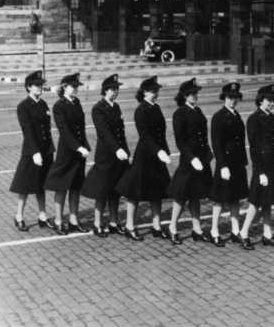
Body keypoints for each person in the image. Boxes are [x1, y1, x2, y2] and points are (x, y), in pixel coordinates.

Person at [115, 76, 171, 241]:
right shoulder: (141, 110)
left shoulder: (156, 108)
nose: (156, 93)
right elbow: (145, 136)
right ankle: (129, 225)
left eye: (157, 90)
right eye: (153, 91)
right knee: (135, 192)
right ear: (145, 92)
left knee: (158, 191)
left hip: (158, 155)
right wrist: (159, 151)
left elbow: (161, 133)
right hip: (146, 155)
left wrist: (165, 151)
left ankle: (156, 225)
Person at [80, 74, 130, 237]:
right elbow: (104, 132)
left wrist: (126, 150)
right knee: (102, 190)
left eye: (116, 89)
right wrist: (117, 149)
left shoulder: (116, 107)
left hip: (119, 155)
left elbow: (120, 132)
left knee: (115, 190)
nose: (115, 92)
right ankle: (97, 223)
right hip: (106, 155)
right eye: (112, 89)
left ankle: (114, 222)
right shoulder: (98, 108)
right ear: (105, 90)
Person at [238, 84, 274, 250]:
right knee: (256, 201)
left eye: (273, 100)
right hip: (262, 167)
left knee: (268, 201)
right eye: (269, 100)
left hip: (273, 164)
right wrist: (260, 172)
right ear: (261, 100)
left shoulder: (270, 117)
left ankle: (267, 233)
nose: (271, 103)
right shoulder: (254, 119)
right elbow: (254, 147)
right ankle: (243, 232)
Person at [166, 78, 213, 245]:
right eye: (192, 94)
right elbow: (180, 141)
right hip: (189, 160)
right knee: (182, 195)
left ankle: (197, 229)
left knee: (196, 194)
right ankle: (172, 227)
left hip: (201, 158)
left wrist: (208, 152)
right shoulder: (180, 113)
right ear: (184, 96)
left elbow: (203, 136)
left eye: (196, 93)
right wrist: (192, 158)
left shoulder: (198, 111)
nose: (195, 96)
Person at [43, 73, 90, 235]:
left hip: (79, 151)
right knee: (62, 187)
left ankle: (73, 219)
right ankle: (58, 220)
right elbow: (64, 130)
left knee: (76, 186)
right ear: (64, 87)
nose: (76, 89)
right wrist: (78, 147)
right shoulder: (59, 106)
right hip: (67, 151)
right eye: (74, 86)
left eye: (77, 86)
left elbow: (81, 127)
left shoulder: (76, 103)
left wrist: (85, 145)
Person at [9, 70, 55, 231]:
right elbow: (27, 130)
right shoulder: (23, 106)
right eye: (36, 85)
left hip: (45, 150)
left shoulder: (42, 104)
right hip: (32, 151)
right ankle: (19, 216)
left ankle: (42, 215)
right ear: (29, 87)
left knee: (41, 184)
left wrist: (49, 150)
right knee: (25, 185)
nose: (39, 88)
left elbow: (46, 129)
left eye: (41, 85)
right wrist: (35, 152)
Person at [208, 82, 249, 247]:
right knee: (219, 198)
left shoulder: (236, 115)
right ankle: (214, 230)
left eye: (235, 98)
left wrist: (244, 161)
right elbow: (216, 144)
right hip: (225, 163)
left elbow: (241, 140)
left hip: (237, 163)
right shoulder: (219, 117)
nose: (233, 100)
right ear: (224, 98)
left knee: (235, 198)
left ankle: (235, 230)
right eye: (230, 97)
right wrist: (222, 165)